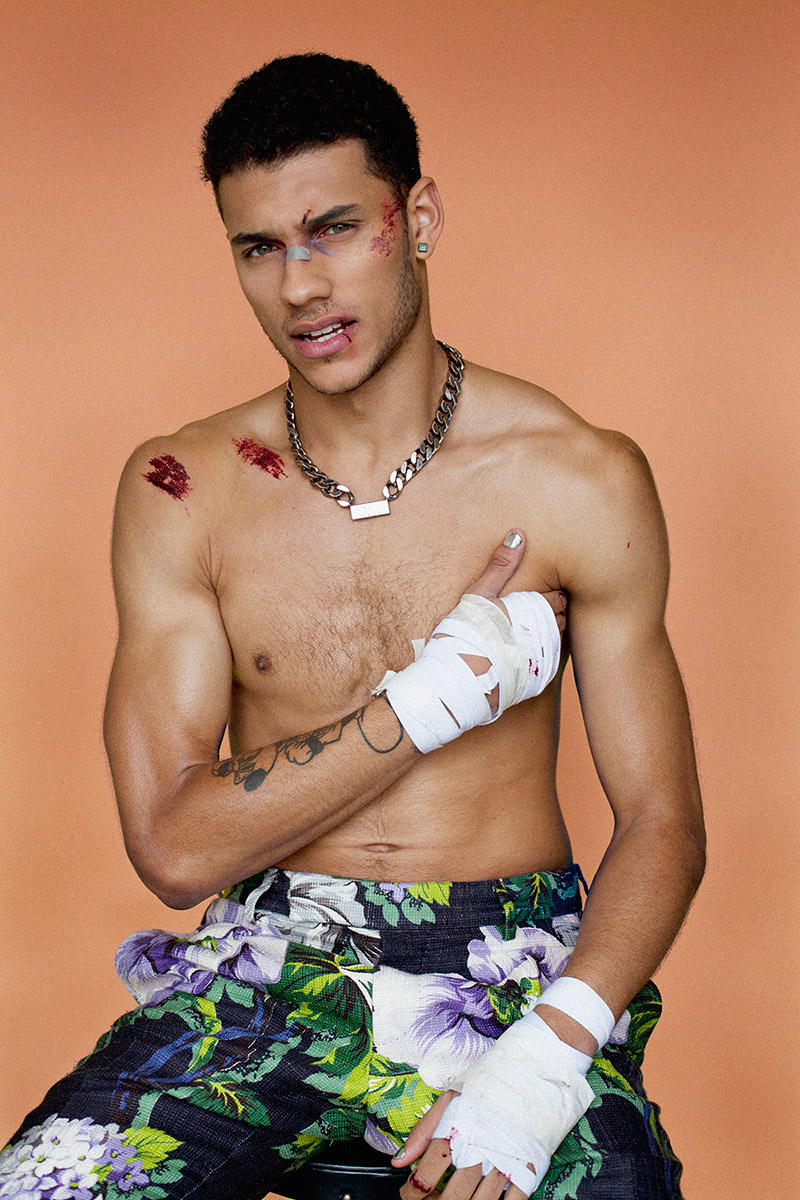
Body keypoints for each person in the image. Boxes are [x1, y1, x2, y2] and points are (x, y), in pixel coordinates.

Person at [0, 52, 704, 1200]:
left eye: (332, 230)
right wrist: (431, 703)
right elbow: (176, 849)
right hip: (268, 967)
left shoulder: (575, 480)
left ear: (416, 218)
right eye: (259, 247)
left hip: (507, 970)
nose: (299, 285)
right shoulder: (185, 489)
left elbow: (662, 823)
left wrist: (546, 1058)